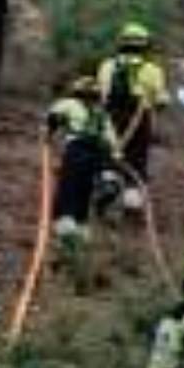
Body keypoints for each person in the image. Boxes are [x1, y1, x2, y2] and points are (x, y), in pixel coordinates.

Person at [97, 22, 170, 212]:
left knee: (109, 154)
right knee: (136, 158)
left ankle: (108, 183)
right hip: (138, 120)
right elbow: (161, 100)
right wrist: (159, 103)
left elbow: (100, 92)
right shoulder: (153, 70)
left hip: (108, 116)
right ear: (145, 45)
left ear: (121, 43)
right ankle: (132, 198)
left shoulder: (107, 66)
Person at [45, 75, 117, 251]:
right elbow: (111, 141)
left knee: (69, 188)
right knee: (84, 192)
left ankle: (66, 234)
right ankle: (82, 233)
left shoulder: (68, 104)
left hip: (77, 149)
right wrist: (112, 160)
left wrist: (48, 134)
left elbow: (52, 117)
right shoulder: (102, 114)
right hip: (99, 155)